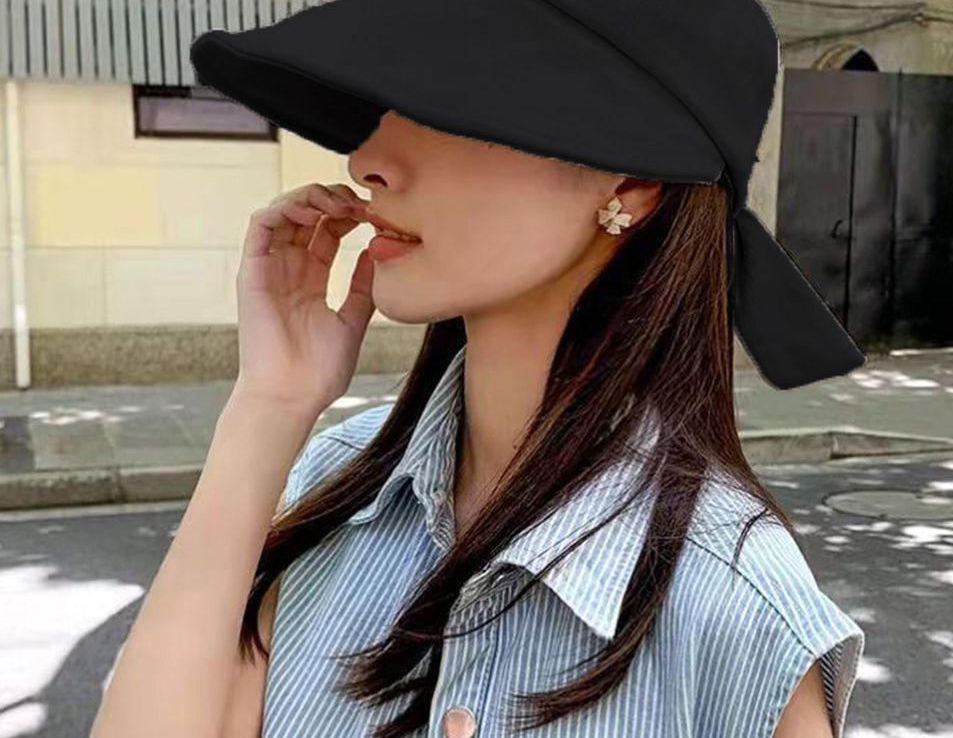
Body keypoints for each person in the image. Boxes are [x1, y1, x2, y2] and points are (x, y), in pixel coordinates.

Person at [90, 107, 864, 738]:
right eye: (389, 103)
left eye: (451, 108)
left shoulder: (738, 602)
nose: (368, 161)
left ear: (630, 182)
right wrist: (270, 404)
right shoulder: (334, 485)